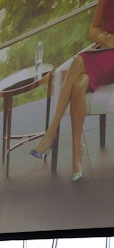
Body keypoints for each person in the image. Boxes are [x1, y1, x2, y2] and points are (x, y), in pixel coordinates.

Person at [32, 0, 114, 181]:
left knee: (78, 62)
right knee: (78, 85)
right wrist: (105, 38)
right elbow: (93, 29)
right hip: (104, 51)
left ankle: (51, 132)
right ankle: (77, 153)